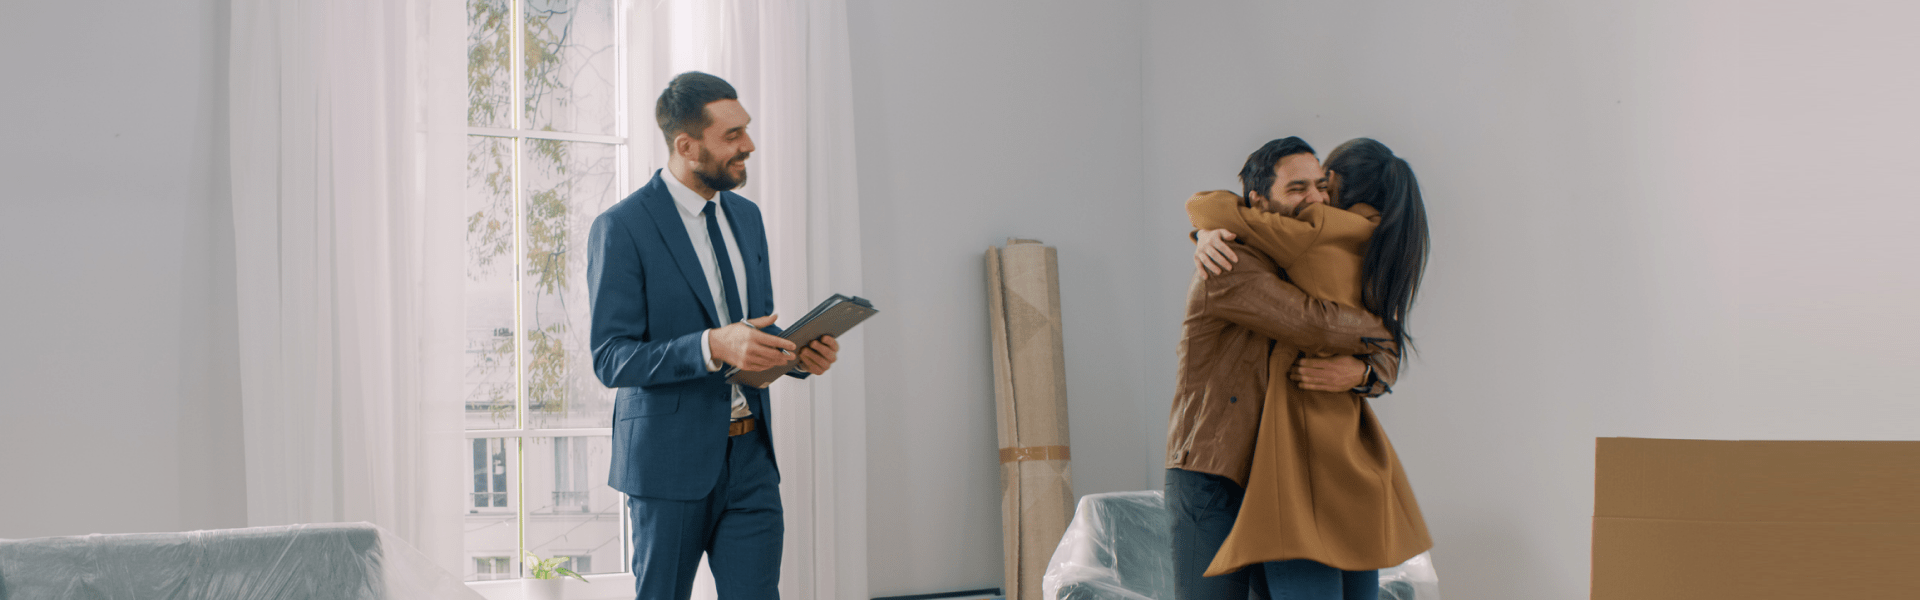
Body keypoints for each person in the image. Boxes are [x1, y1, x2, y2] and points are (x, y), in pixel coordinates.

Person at [588, 71, 839, 600]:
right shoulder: (624, 227)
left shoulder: (747, 218)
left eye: (746, 129)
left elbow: (754, 331)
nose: (749, 145)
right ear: (686, 146)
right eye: (732, 135)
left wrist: (796, 355)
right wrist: (711, 346)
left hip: (751, 461)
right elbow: (611, 358)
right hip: (667, 465)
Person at [1189, 137, 1433, 600]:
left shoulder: (1318, 230)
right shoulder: (1381, 244)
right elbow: (1388, 348)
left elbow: (1213, 207)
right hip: (1354, 451)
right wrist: (1369, 365)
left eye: (1322, 185)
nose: (1316, 198)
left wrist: (1203, 228)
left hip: (1304, 451)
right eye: (1304, 187)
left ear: (1336, 184)